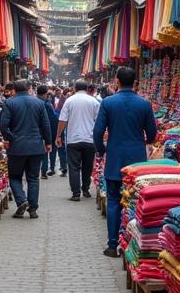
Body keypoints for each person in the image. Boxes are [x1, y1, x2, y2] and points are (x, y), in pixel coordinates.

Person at [92, 66, 157, 256]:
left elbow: (97, 132)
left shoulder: (108, 103)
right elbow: (152, 134)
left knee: (113, 200)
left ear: (117, 81)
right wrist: (144, 141)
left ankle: (113, 245)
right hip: (137, 160)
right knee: (136, 200)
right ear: (135, 82)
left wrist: (102, 150)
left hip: (115, 157)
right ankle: (132, 246)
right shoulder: (144, 104)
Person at [0, 79, 52, 219]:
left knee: (15, 176)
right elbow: (46, 125)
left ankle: (22, 201)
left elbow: (3, 125)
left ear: (14, 90)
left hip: (17, 147)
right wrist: (48, 142)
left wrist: (10, 138)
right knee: (33, 178)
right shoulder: (39, 103)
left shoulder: (9, 102)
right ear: (29, 88)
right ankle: (33, 209)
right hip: (36, 146)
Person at [56, 78, 100, 200]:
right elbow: (99, 121)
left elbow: (62, 120)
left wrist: (58, 135)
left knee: (73, 167)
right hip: (89, 139)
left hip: (73, 140)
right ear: (87, 89)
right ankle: (85, 189)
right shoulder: (94, 101)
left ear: (75, 89)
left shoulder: (69, 101)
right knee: (87, 166)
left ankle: (76, 193)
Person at [36, 85, 60, 179]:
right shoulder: (46, 104)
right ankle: (47, 169)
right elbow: (53, 118)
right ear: (45, 94)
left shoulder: (34, 102)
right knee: (48, 149)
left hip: (36, 131)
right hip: (47, 130)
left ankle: (43, 170)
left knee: (43, 152)